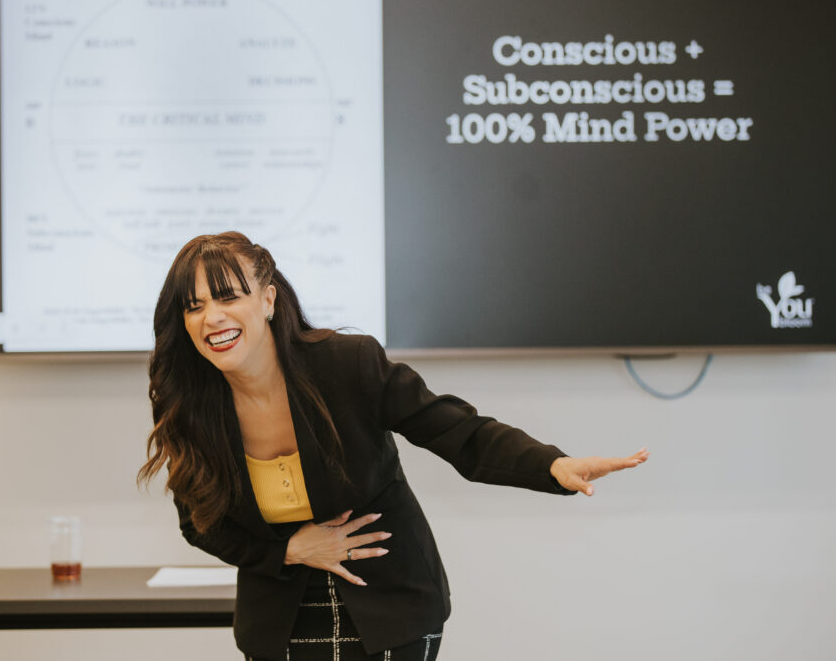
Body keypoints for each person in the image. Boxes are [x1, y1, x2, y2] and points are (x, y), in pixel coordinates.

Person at [138, 232, 648, 661]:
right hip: (278, 623)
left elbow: (456, 431)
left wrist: (552, 464)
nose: (212, 317)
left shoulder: (346, 364)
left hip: (390, 608)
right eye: (194, 306)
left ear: (268, 300)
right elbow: (199, 524)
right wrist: (289, 550)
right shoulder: (189, 405)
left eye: (228, 298)